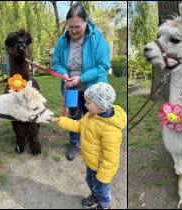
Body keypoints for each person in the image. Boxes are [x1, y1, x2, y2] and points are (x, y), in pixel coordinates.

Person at [53, 82, 127, 209]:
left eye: (88, 103)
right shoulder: (91, 115)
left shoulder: (109, 130)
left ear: (100, 105)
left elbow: (111, 157)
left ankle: (104, 205)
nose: (85, 105)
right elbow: (79, 126)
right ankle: (95, 196)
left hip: (100, 168)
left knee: (101, 188)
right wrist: (63, 121)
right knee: (90, 182)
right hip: (91, 162)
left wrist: (104, 175)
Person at [52, 3, 110, 161]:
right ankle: (74, 143)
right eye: (70, 27)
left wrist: (81, 78)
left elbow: (103, 66)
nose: (73, 31)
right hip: (71, 88)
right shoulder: (62, 40)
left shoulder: (97, 38)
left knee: (94, 116)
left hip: (93, 87)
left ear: (86, 23)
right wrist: (63, 73)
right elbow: (56, 63)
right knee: (74, 116)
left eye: (77, 26)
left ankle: (97, 143)